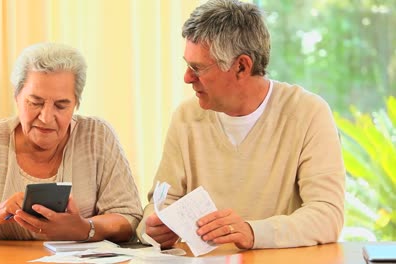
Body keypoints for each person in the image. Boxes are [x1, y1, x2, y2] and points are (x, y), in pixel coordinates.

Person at [136, 0, 345, 250]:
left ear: (241, 66)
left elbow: (327, 215)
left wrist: (252, 232)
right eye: (187, 65)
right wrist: (153, 227)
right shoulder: (186, 117)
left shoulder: (308, 113)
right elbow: (159, 204)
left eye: (197, 68)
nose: (187, 77)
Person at [0, 42, 143, 243]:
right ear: (17, 97)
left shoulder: (97, 137)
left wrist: (86, 228)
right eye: (35, 103)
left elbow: (130, 218)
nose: (46, 117)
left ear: (76, 103)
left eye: (61, 106)